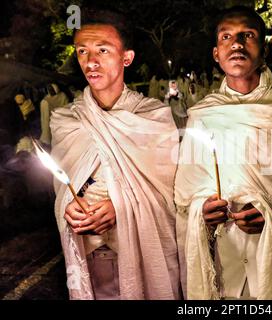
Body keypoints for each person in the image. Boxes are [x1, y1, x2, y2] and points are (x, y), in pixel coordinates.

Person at [174, 6, 272, 300]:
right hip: (224, 255)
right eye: (226, 37)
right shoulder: (204, 113)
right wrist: (202, 210)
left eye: (248, 35)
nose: (236, 44)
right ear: (216, 54)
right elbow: (186, 194)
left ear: (264, 50)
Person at [50, 8, 181, 300]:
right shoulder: (66, 120)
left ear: (127, 58)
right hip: (90, 253)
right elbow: (61, 185)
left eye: (103, 50)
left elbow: (169, 195)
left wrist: (119, 206)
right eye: (82, 51)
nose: (91, 61)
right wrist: (68, 206)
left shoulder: (153, 117)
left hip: (141, 250)